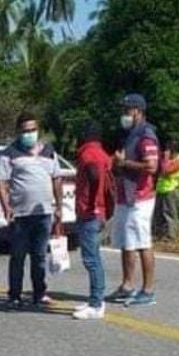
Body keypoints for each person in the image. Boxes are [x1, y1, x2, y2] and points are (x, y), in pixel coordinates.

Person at [0, 112, 63, 309]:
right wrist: (6, 206)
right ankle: (14, 294)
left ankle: (39, 293)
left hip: (43, 212)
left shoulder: (49, 150)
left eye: (33, 130)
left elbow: (56, 178)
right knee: (18, 255)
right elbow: (1, 182)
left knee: (40, 255)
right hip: (21, 214)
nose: (30, 134)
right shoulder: (9, 153)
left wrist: (59, 206)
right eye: (26, 131)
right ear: (19, 132)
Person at [108, 93, 160, 307]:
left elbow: (151, 166)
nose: (124, 114)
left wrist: (125, 163)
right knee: (126, 243)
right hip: (125, 196)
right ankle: (127, 285)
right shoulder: (130, 134)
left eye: (127, 110)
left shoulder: (146, 135)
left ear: (137, 111)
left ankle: (148, 290)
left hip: (140, 197)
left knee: (142, 242)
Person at [73, 121, 113, 320]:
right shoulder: (103, 154)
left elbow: (94, 174)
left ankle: (97, 304)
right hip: (100, 211)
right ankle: (94, 300)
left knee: (91, 260)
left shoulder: (87, 153)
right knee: (94, 257)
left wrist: (90, 200)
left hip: (89, 212)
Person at [153, 139, 179, 241]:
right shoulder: (166, 160)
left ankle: (170, 235)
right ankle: (158, 234)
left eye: (168, 149)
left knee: (169, 213)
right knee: (158, 213)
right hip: (161, 189)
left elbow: (166, 171)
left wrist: (165, 159)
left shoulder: (178, 161)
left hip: (171, 190)